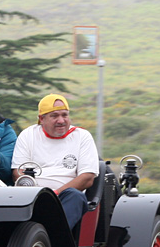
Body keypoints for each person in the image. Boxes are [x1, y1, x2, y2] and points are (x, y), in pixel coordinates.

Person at [11, 93, 99, 230]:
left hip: (66, 196)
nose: (61, 120)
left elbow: (87, 178)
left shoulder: (82, 136)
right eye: (54, 116)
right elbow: (18, 173)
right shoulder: (28, 135)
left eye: (65, 115)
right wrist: (40, 196)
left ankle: (52, 240)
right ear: (41, 119)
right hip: (33, 196)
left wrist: (54, 194)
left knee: (75, 196)